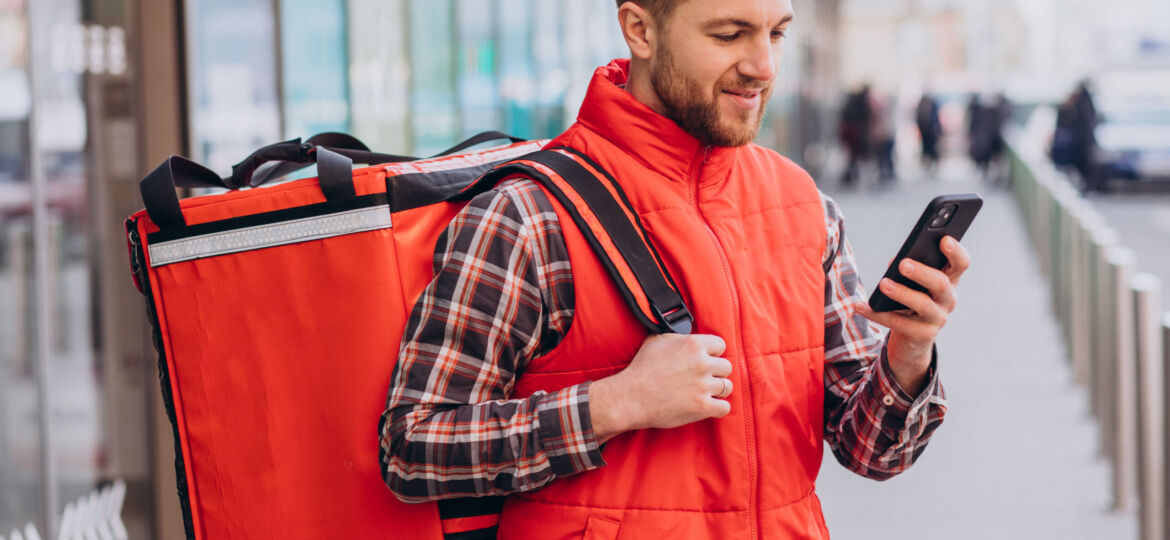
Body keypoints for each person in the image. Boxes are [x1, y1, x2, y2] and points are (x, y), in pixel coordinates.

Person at [379, 1, 972, 538]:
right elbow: (411, 448)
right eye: (729, 34)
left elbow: (872, 452)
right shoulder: (527, 217)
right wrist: (612, 405)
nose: (763, 65)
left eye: (777, 33)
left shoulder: (804, 206)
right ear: (640, 29)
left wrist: (907, 354)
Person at [837, 84, 871, 185]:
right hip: (856, 134)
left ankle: (851, 175)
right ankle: (851, 175)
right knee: (856, 157)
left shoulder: (850, 104)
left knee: (852, 157)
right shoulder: (862, 104)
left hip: (851, 135)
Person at [916, 91, 942, 172]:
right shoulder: (932, 104)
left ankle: (928, 165)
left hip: (925, 130)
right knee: (931, 148)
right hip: (930, 131)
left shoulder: (922, 104)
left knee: (926, 148)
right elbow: (936, 118)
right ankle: (931, 165)